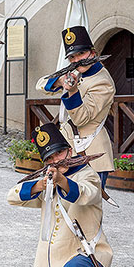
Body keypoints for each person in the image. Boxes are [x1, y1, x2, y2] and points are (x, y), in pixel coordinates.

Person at [6, 123, 113, 267]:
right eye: (49, 158)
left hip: (88, 255)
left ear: (70, 151)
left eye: (59, 153)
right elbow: (12, 197)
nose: (56, 160)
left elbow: (85, 194)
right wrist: (40, 185)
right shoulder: (47, 182)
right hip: (55, 263)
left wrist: (62, 181)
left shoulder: (89, 175)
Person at [35, 26, 115, 188]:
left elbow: (81, 118)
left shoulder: (103, 82)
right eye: (72, 57)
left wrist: (72, 92)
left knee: (88, 206)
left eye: (81, 53)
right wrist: (59, 81)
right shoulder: (77, 72)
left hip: (91, 151)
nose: (77, 60)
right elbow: (40, 84)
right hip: (70, 150)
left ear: (92, 52)